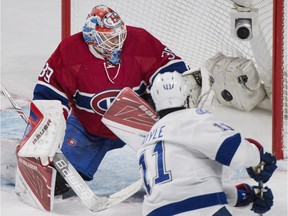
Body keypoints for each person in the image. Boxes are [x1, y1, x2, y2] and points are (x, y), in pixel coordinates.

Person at [31, 5, 189, 194]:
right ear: (92, 38)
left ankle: (180, 170)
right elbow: (49, 96)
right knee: (58, 181)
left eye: (119, 34)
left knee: (179, 167)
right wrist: (44, 139)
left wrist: (168, 102)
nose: (118, 41)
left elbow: (171, 69)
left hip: (139, 121)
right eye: (110, 38)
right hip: (88, 127)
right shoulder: (69, 51)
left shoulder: (139, 40)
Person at [137, 71, 277, 216]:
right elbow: (234, 152)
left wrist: (241, 196)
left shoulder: (146, 142)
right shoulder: (192, 118)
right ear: (187, 96)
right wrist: (258, 157)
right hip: (202, 210)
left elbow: (176, 192)